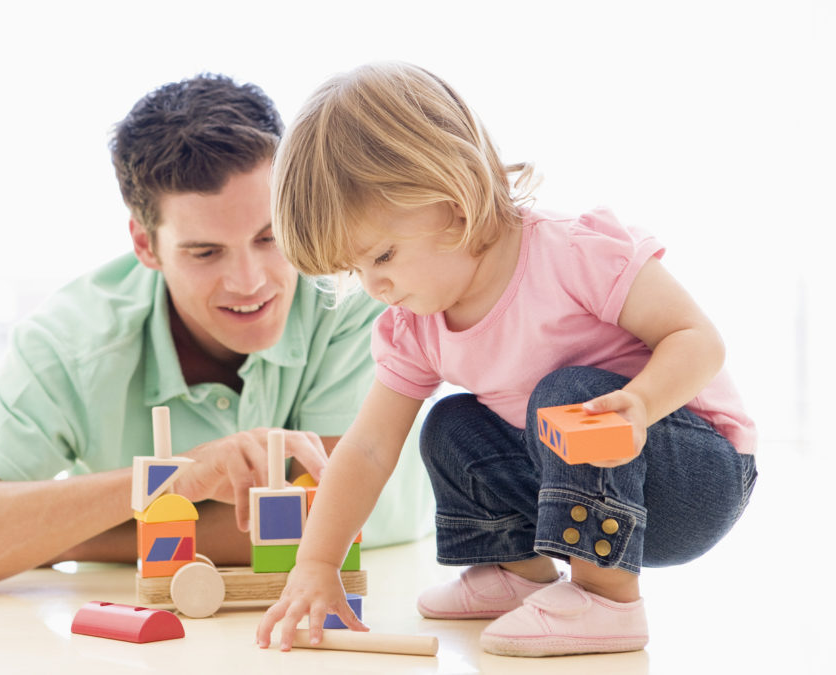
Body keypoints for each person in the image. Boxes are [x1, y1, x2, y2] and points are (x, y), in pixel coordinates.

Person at [256, 62, 758, 657]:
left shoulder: (571, 254)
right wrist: (316, 561)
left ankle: (607, 599)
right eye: (356, 270)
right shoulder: (416, 327)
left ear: (453, 200)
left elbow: (699, 340)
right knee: (451, 420)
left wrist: (641, 405)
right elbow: (366, 448)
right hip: (570, 489)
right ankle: (517, 571)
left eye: (384, 255)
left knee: (564, 395)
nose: (375, 287)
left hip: (692, 477)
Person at [0, 73, 433, 596]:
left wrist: (59, 536)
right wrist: (173, 479)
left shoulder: (357, 296)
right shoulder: (74, 343)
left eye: (270, 238)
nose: (250, 281)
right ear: (146, 245)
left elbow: (336, 520)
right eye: (205, 252)